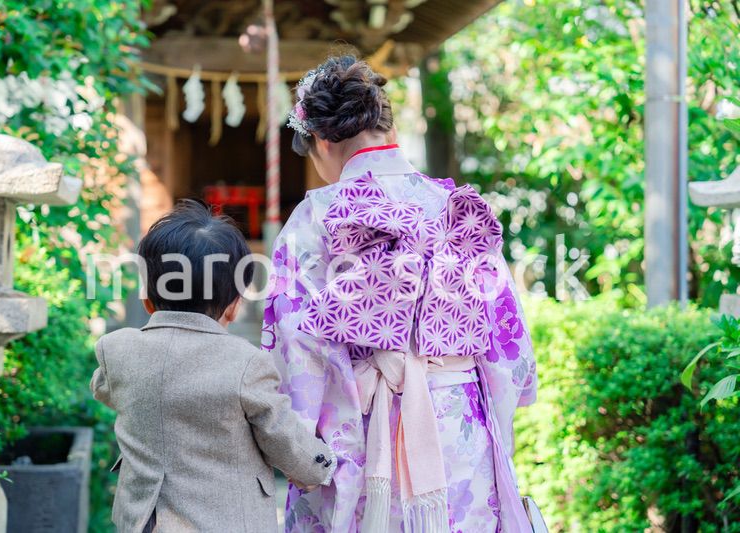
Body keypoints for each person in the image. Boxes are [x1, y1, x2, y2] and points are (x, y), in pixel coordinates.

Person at [262, 56, 538, 532]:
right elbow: (506, 346)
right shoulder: (456, 206)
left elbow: (296, 347)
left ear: (323, 140)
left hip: (361, 431)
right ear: (385, 124)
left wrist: (298, 448)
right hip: (455, 430)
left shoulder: (312, 219)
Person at [91, 199, 335, 533]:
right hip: (228, 521)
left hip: (144, 520)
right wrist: (320, 467)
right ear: (235, 305)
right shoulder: (246, 364)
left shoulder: (116, 350)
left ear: (148, 298)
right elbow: (281, 436)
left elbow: (107, 390)